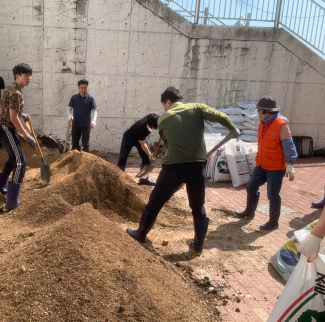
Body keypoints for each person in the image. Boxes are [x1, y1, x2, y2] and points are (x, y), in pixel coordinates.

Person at [126, 87, 238, 255]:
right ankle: (198, 246)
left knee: (155, 201)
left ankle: (141, 233)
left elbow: (169, 144)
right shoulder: (198, 108)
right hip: (197, 166)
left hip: (174, 168)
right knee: (198, 206)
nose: (164, 108)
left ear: (168, 102)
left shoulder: (163, 120)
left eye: (164, 105)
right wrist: (232, 128)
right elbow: (220, 116)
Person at [234, 96, 298, 230]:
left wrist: (290, 164)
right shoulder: (263, 124)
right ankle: (249, 212)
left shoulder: (281, 125)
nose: (257, 113)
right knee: (251, 186)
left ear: (267, 112)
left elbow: (289, 146)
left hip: (275, 167)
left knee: (273, 194)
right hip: (262, 164)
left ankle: (273, 222)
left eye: (259, 111)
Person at [0, 63, 36, 210]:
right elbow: (13, 119)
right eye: (26, 75)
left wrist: (20, 114)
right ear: (17, 76)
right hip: (5, 128)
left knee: (13, 158)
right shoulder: (16, 92)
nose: (29, 78)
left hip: (2, 127)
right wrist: (27, 135)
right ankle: (12, 201)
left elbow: (9, 110)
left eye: (30, 75)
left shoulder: (12, 88)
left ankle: (0, 186)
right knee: (20, 161)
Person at [117, 113, 159, 186]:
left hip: (141, 138)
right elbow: (143, 144)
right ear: (150, 124)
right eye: (153, 127)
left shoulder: (153, 116)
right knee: (122, 158)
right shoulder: (141, 126)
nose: (153, 129)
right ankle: (119, 180)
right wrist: (150, 154)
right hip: (128, 138)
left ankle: (144, 179)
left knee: (147, 159)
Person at [67, 79, 97, 152]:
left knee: (85, 144)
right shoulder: (74, 98)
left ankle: (86, 162)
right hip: (76, 124)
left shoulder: (91, 99)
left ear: (87, 87)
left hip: (86, 125)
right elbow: (69, 109)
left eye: (85, 88)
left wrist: (94, 120)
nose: (83, 90)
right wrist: (70, 115)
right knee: (75, 144)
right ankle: (74, 161)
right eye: (82, 88)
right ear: (78, 88)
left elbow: (94, 111)